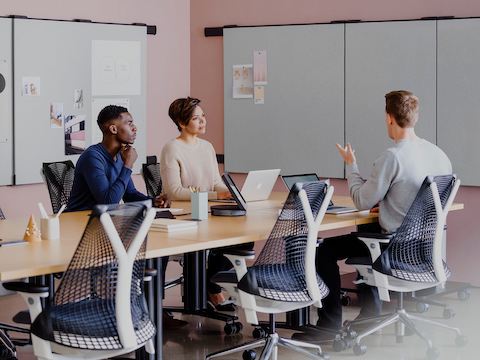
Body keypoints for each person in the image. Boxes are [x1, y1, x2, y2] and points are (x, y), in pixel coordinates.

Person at [296, 90, 452, 340]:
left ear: (390, 118)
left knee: (321, 250)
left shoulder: (393, 156)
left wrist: (351, 164)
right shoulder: (438, 155)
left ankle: (329, 326)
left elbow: (361, 200)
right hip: (422, 247)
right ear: (416, 117)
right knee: (365, 234)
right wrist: (392, 206)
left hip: (394, 248)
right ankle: (370, 313)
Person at [160, 97, 253, 309]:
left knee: (244, 240)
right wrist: (214, 195)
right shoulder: (172, 148)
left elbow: (215, 182)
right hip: (186, 215)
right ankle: (210, 288)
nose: (202, 122)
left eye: (203, 116)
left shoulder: (207, 146)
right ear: (182, 123)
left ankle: (207, 281)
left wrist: (231, 192)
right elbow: (173, 191)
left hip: (210, 212)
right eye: (196, 118)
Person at [67, 105, 168, 211]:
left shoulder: (120, 156)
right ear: (113, 129)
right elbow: (108, 202)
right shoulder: (92, 157)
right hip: (78, 220)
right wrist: (128, 165)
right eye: (129, 123)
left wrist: (154, 201)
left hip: (101, 220)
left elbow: (130, 194)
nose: (135, 128)